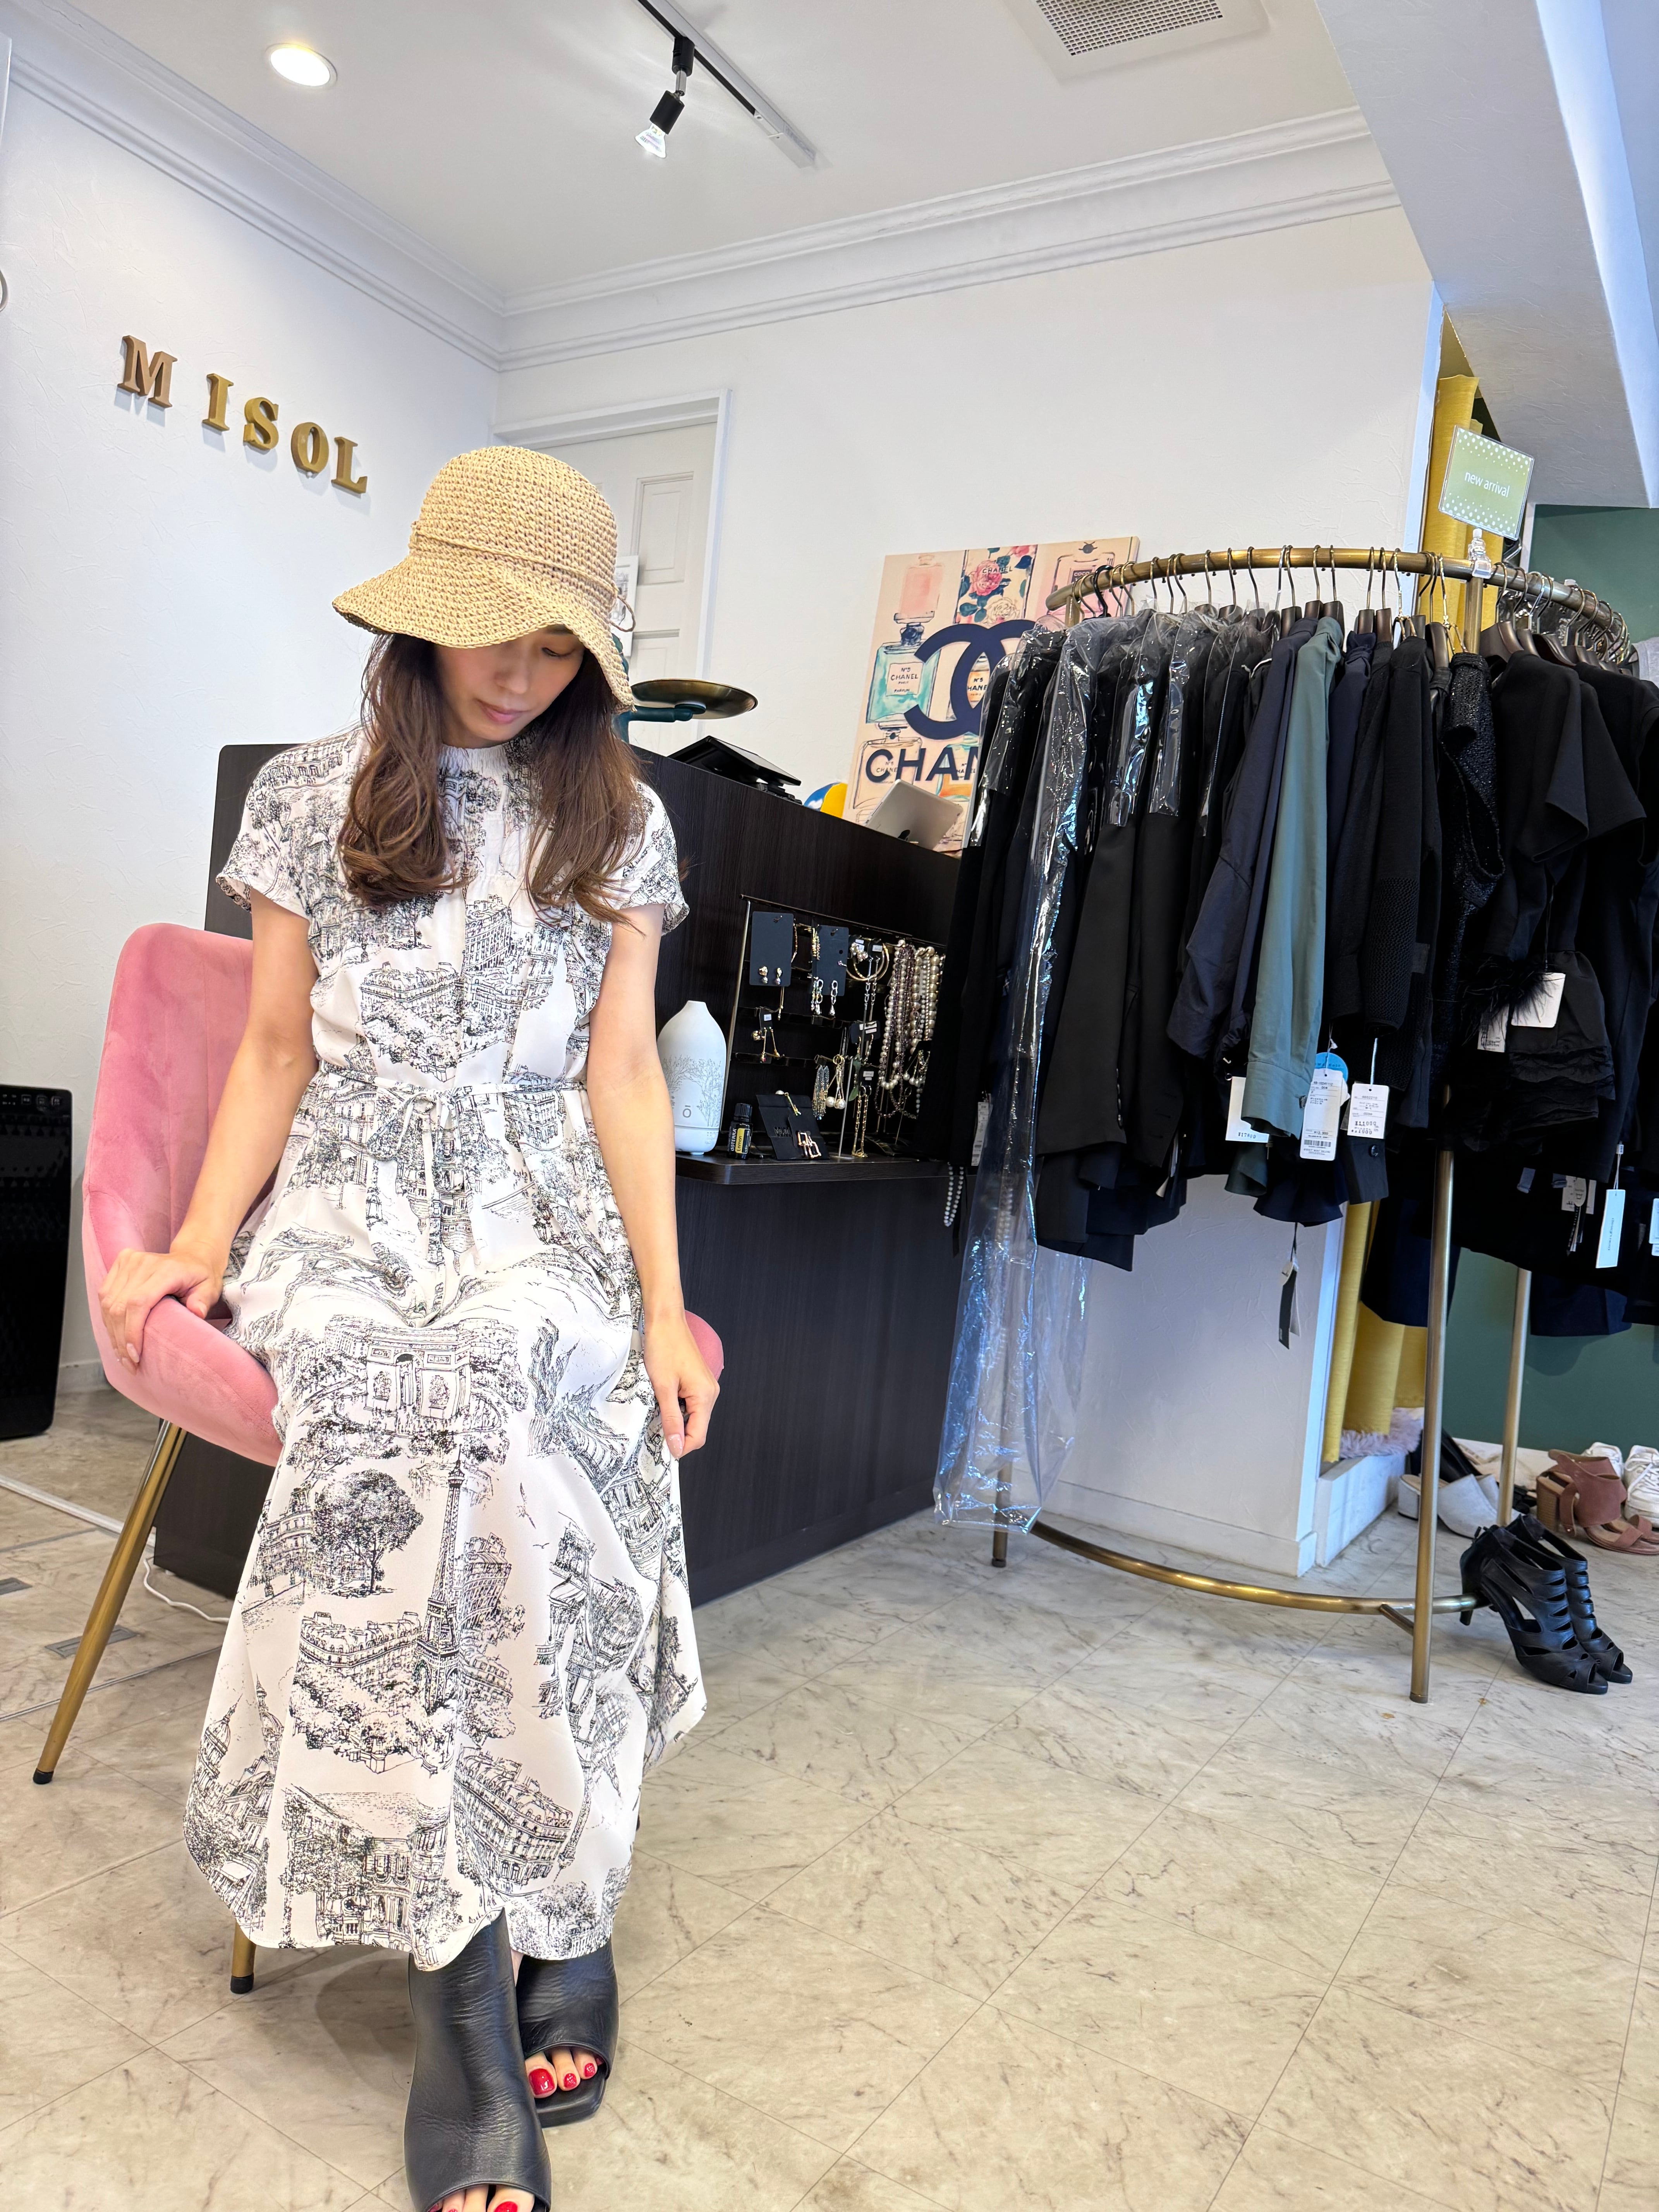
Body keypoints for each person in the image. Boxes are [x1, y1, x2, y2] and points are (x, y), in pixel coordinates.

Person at [99, 447, 718, 2212]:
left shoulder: (623, 820)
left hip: (540, 1208)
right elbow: (271, 1048)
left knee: (522, 1400)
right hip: (350, 1206)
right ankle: (468, 1983)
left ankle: (563, 1892)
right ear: (422, 618)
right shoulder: (310, 795)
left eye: (555, 644)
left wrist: (665, 1304)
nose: (519, 671)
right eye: (489, 631)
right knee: (399, 1411)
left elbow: (621, 1076)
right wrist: (199, 1241)